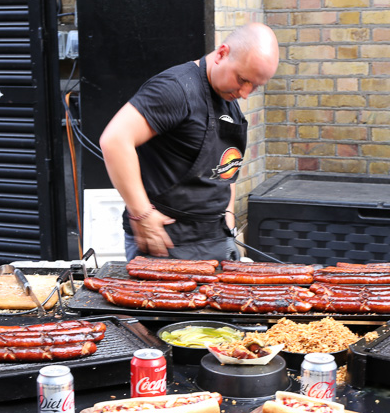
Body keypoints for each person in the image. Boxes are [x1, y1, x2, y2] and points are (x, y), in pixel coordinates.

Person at [99, 22, 280, 261]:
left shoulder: (227, 94)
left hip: (215, 238)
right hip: (167, 244)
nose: (245, 93)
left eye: (255, 86)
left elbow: (225, 163)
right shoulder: (175, 89)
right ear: (222, 53)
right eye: (242, 79)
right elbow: (114, 140)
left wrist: (228, 216)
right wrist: (141, 213)